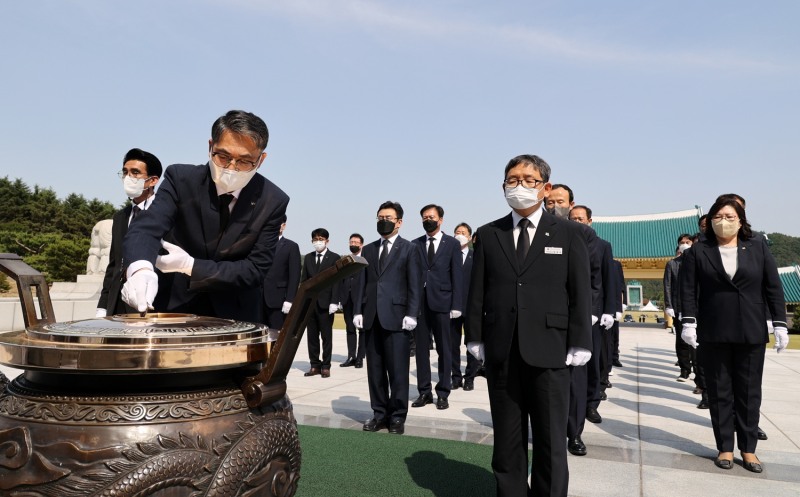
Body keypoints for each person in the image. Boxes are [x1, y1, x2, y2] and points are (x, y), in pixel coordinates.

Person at [465, 154, 592, 497]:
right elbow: (478, 290)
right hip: (502, 347)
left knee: (551, 438)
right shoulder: (489, 234)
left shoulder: (569, 233)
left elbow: (580, 290)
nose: (518, 186)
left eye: (528, 180)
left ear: (545, 187)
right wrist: (474, 335)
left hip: (551, 348)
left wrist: (580, 340)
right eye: (511, 180)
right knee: (507, 438)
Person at [121, 110, 289, 322]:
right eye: (223, 156)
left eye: (245, 161)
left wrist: (190, 266)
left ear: (261, 160)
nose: (231, 168)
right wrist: (140, 268)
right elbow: (146, 228)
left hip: (235, 315)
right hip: (173, 308)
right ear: (210, 147)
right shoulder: (181, 180)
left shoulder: (272, 201)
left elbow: (255, 269)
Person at [680, 197, 788, 473]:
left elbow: (772, 287)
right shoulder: (698, 251)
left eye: (730, 216)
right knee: (719, 391)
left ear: (741, 219)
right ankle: (725, 447)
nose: (724, 221)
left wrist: (779, 323)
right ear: (710, 220)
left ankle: (749, 449)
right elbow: (688, 289)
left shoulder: (758, 247)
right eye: (718, 216)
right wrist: (689, 322)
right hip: (714, 329)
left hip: (751, 330)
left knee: (749, 392)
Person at [547, 186, 612, 457]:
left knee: (576, 379)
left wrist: (595, 312)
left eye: (559, 202)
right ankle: (548, 431)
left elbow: (597, 280)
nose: (554, 206)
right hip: (545, 320)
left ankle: (574, 434)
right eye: (549, 202)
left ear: (571, 205)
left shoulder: (587, 237)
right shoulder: (538, 232)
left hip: (579, 319)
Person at [354, 201, 422, 435]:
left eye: (388, 217)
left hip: (397, 317)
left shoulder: (410, 249)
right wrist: (357, 311)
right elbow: (362, 282)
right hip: (372, 316)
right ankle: (379, 413)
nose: (383, 221)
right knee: (375, 370)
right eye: (380, 217)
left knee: (398, 370)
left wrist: (412, 313)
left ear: (399, 222)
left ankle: (397, 416)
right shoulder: (369, 249)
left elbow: (414, 284)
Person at [97, 148, 163, 317]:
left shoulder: (164, 213)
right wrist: (103, 306)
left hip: (151, 303)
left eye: (135, 173)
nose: (128, 178)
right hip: (118, 302)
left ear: (152, 180)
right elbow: (114, 264)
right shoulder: (121, 217)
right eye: (125, 172)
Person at [411, 204, 463, 410]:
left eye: (431, 217)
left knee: (444, 349)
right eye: (424, 217)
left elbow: (457, 275)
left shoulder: (451, 244)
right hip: (420, 305)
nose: (428, 220)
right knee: (422, 351)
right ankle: (424, 392)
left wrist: (456, 304)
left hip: (443, 302)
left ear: (440, 219)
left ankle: (443, 392)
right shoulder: (415, 244)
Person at [301, 228, 341, 378]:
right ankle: (314, 365)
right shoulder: (309, 258)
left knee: (326, 337)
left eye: (321, 239)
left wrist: (334, 301)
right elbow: (304, 280)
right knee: (312, 337)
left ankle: (326, 366)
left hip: (326, 304)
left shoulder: (334, 258)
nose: (318, 242)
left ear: (327, 241)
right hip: (311, 304)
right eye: (315, 239)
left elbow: (336, 281)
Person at [450, 222, 478, 391]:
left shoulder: (475, 257)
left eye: (463, 232)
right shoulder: (447, 256)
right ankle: (455, 377)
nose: (460, 234)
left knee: (471, 344)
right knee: (452, 344)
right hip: (452, 307)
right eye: (457, 232)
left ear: (469, 237)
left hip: (471, 307)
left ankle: (470, 377)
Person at [664, 234, 695, 382]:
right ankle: (684, 369)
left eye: (687, 242)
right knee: (681, 340)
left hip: (695, 307)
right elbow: (667, 286)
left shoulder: (697, 261)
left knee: (696, 340)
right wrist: (669, 305)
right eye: (681, 242)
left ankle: (697, 368)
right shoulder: (672, 264)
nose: (684, 244)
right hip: (678, 306)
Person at [262, 218, 301, 334]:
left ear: (283, 226)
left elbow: (294, 275)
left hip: (278, 300)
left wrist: (290, 299)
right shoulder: (261, 244)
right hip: (259, 298)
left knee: (277, 335)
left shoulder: (291, 246)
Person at [339, 233, 365, 368]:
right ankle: (351, 356)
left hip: (361, 299)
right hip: (347, 299)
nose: (353, 244)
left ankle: (360, 357)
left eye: (356, 242)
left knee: (361, 329)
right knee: (350, 329)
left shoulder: (366, 260)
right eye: (351, 242)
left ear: (361, 245)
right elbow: (340, 279)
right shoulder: (346, 260)